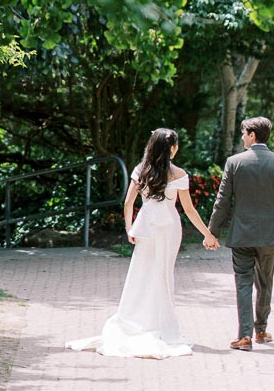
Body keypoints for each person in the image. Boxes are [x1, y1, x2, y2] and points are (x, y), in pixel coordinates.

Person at [66, 127, 216, 359]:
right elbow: (188, 210)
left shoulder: (140, 170)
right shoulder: (178, 175)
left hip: (145, 227)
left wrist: (129, 228)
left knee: (141, 273)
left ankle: (137, 319)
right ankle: (161, 323)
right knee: (163, 275)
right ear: (172, 148)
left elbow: (128, 203)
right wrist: (207, 234)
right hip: (168, 229)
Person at [205, 115, 274, 350]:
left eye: (244, 133)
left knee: (243, 283)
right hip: (269, 237)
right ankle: (262, 330)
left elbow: (222, 201)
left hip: (242, 236)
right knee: (265, 283)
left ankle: (245, 335)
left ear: (252, 135)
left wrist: (212, 232)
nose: (242, 137)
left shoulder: (234, 162)